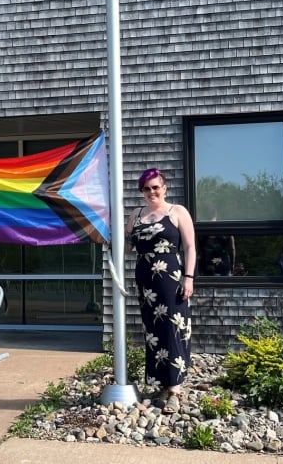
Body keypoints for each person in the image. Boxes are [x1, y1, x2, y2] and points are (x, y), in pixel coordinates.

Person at [125, 168, 196, 414]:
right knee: (153, 330)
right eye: (146, 188)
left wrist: (189, 277)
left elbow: (189, 247)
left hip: (171, 279)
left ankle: (174, 390)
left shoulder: (177, 212)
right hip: (146, 280)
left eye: (156, 187)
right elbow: (127, 248)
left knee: (173, 327)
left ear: (164, 188)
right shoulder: (136, 215)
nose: (151, 192)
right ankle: (161, 385)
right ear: (142, 191)